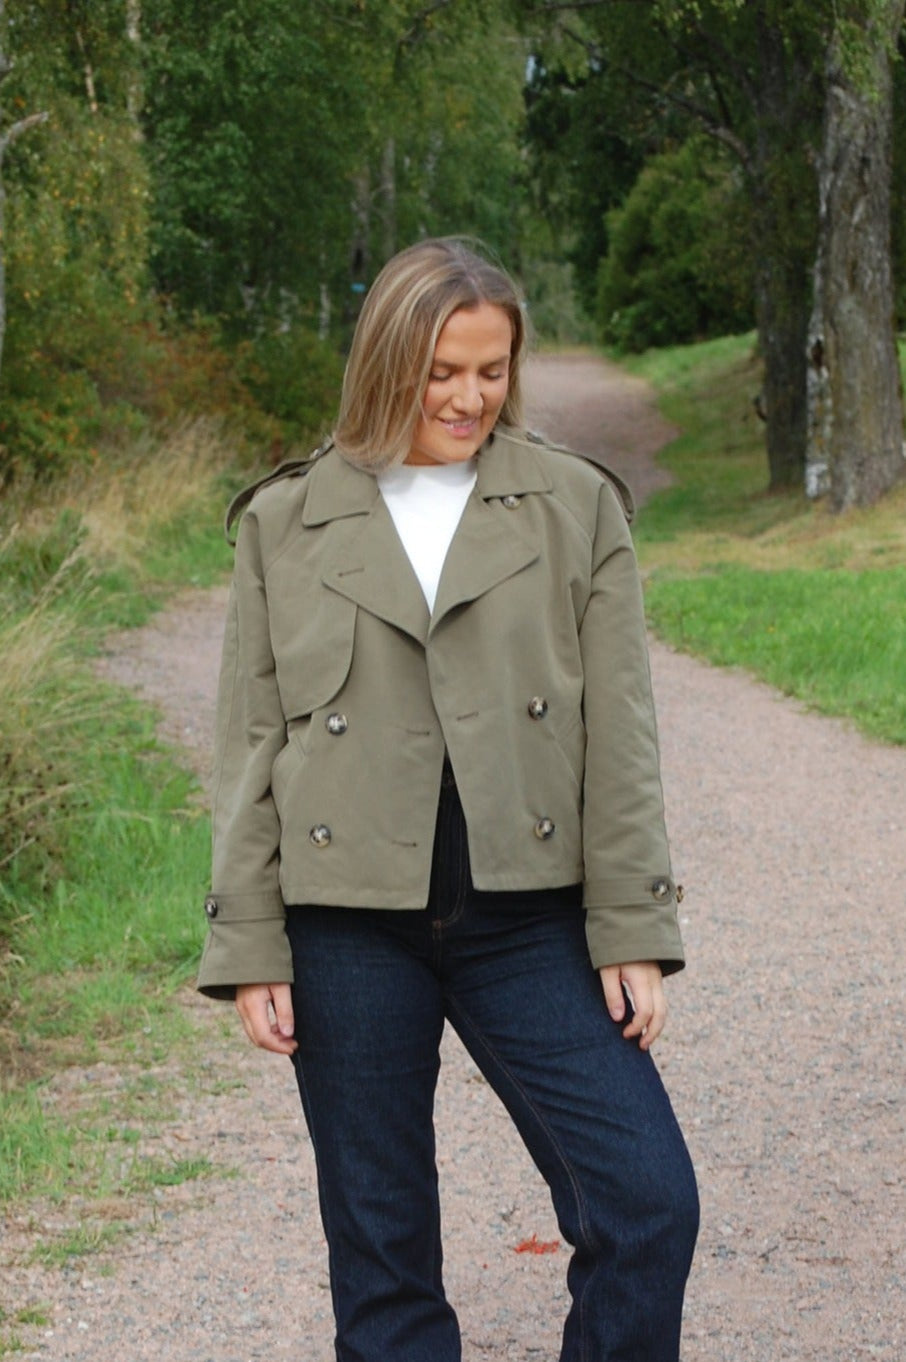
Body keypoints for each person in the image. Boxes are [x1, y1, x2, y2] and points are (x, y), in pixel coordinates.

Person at [198, 237, 699, 1362]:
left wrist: (632, 924)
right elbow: (253, 742)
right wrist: (251, 941)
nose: (469, 398)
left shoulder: (575, 507)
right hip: (343, 927)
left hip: (529, 916)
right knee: (382, 1261)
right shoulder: (284, 521)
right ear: (385, 364)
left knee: (648, 1200)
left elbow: (620, 734)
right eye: (441, 372)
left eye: (490, 370)